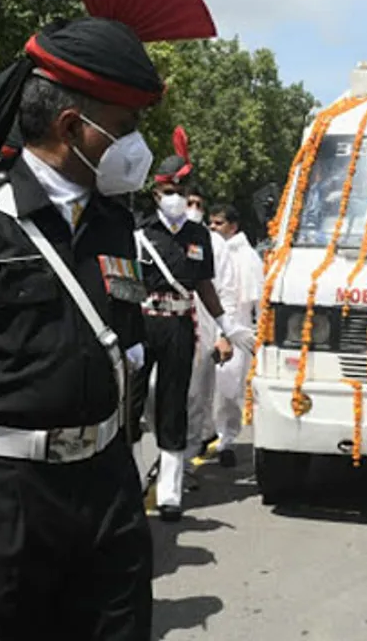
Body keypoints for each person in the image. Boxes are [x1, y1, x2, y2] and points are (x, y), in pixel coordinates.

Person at [0, 0, 215, 640]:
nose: (138, 146)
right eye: (125, 128)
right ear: (71, 127)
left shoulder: (115, 222)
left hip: (106, 487)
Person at [129, 144, 251, 522]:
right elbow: (125, 283)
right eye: (170, 191)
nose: (177, 198)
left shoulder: (198, 236)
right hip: (143, 322)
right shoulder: (140, 232)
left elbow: (204, 285)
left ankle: (170, 492)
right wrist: (125, 332)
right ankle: (131, 481)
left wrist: (227, 325)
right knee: (132, 406)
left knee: (174, 407)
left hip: (180, 325)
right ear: (156, 193)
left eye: (182, 192)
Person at [182, 187, 240, 472]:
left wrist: (223, 335)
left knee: (195, 397)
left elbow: (227, 292)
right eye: (188, 202)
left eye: (198, 204)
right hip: (161, 328)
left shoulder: (213, 244)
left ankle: (184, 464)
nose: (192, 208)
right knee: (155, 397)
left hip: (202, 333)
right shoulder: (149, 236)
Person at [209, 202, 264, 465]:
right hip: (205, 324)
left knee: (228, 388)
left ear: (233, 227)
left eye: (218, 223)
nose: (213, 227)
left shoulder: (246, 256)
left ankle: (226, 440)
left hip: (235, 326)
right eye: (211, 223)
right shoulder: (208, 249)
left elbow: (257, 299)